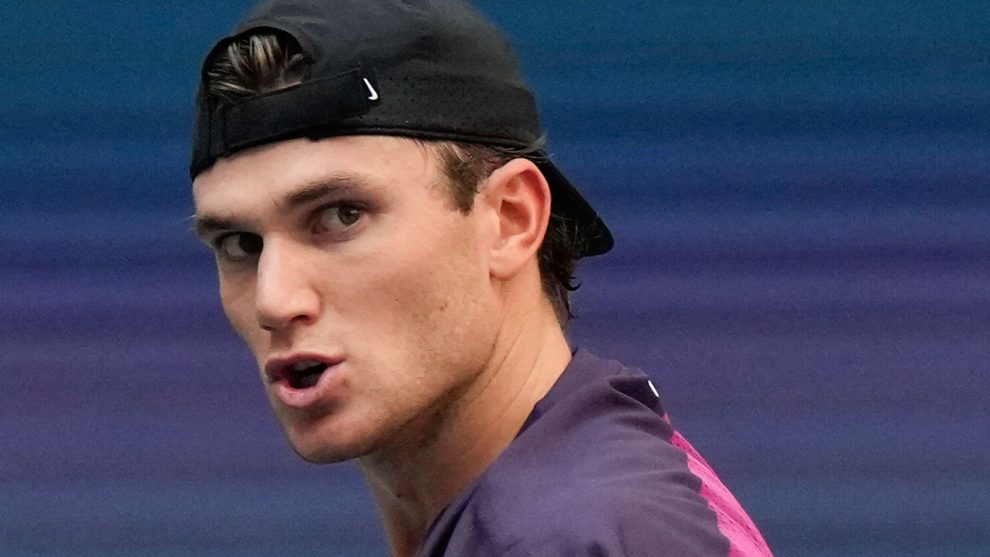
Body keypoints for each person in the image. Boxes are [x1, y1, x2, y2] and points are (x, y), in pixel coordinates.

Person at [189, 0, 772, 555]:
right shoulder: (587, 487)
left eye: (342, 216)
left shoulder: (573, 533)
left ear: (510, 220)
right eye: (240, 244)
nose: (274, 299)